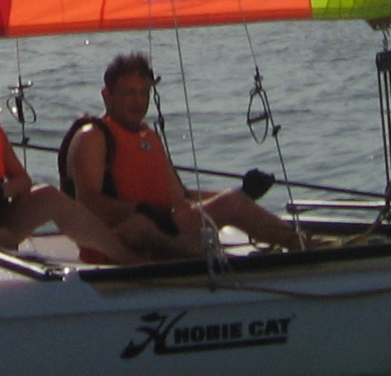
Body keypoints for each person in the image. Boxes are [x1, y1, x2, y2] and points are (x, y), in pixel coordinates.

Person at [62, 51, 304, 259]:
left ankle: (303, 245)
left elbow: (182, 199)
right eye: (129, 93)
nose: (138, 101)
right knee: (143, 226)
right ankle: (214, 259)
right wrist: (140, 209)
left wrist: (245, 193)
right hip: (119, 240)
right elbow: (88, 203)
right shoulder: (93, 136)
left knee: (232, 200)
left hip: (163, 227)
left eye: (143, 92)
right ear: (108, 95)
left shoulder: (148, 136)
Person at [0, 54, 142, 264]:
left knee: (48, 195)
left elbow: (23, 180)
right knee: (2, 237)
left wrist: (1, 190)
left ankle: (126, 258)